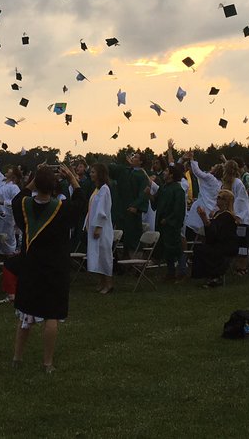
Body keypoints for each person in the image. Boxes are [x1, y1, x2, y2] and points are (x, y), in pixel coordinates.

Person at [11, 164, 86, 373]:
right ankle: (47, 363)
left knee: (26, 315)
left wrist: (35, 179)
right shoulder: (62, 210)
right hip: (54, 269)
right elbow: (81, 202)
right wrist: (72, 178)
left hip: (31, 268)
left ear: (35, 184)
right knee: (51, 316)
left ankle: (17, 357)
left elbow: (18, 197)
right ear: (54, 187)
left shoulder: (24, 205)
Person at [192, 189, 239, 288]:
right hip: (217, 243)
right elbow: (211, 233)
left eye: (219, 198)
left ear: (225, 201)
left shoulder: (227, 216)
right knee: (199, 248)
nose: (217, 200)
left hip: (225, 246)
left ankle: (215, 276)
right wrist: (205, 219)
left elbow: (216, 233)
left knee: (205, 251)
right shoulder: (218, 214)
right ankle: (208, 275)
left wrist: (206, 220)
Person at [152, 163, 188, 281]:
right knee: (166, 250)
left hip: (171, 225)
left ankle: (182, 271)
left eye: (166, 171)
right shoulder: (163, 188)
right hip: (162, 225)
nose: (164, 173)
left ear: (171, 175)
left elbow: (178, 209)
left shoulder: (178, 190)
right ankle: (170, 272)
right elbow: (156, 203)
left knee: (175, 248)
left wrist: (168, 220)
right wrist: (149, 195)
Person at [109, 153, 149, 255]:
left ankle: (135, 264)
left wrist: (135, 206)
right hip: (122, 210)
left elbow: (143, 194)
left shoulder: (142, 176)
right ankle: (121, 265)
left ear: (140, 162)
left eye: (136, 157)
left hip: (132, 212)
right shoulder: (125, 171)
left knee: (133, 238)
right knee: (121, 239)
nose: (132, 158)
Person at [85, 163, 115, 294]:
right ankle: (101, 281)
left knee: (104, 255)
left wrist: (98, 226)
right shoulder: (97, 189)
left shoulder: (104, 189)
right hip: (93, 228)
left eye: (93, 172)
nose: (91, 174)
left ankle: (109, 284)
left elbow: (103, 209)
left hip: (101, 229)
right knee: (97, 256)